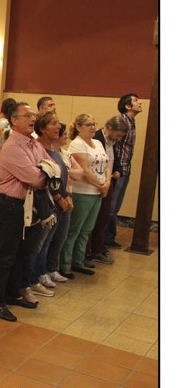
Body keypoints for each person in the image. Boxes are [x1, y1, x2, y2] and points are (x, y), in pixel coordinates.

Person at [0, 103, 51, 322]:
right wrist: (45, 172)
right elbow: (34, 178)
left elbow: (53, 165)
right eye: (28, 115)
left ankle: (13, 292)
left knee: (23, 253)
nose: (33, 118)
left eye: (33, 115)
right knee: (6, 256)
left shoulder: (34, 143)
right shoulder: (13, 146)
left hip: (30, 206)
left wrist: (45, 170)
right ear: (14, 120)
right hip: (13, 206)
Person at [61, 114, 110, 277]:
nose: (93, 127)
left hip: (98, 192)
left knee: (87, 229)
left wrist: (107, 183)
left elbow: (107, 164)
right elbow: (84, 170)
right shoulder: (77, 144)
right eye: (88, 124)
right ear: (79, 127)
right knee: (74, 229)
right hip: (83, 192)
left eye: (94, 124)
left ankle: (79, 261)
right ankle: (65, 264)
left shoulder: (98, 143)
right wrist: (100, 186)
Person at [34, 114, 75, 287]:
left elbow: (64, 176)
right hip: (49, 203)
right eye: (54, 123)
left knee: (58, 238)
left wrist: (68, 195)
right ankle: (39, 273)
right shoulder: (39, 149)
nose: (59, 127)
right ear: (43, 129)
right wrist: (59, 198)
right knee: (43, 242)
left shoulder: (56, 151)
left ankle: (50, 268)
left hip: (62, 201)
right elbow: (43, 180)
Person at [86, 116, 128, 264]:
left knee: (104, 218)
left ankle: (98, 249)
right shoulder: (96, 139)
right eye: (118, 134)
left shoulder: (112, 141)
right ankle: (88, 251)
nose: (119, 138)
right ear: (109, 128)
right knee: (92, 220)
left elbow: (113, 160)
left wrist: (118, 171)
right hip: (96, 183)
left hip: (108, 182)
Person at [106, 93, 142, 248]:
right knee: (111, 207)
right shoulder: (121, 121)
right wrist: (116, 169)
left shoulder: (131, 122)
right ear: (128, 106)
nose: (140, 102)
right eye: (136, 100)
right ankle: (105, 239)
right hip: (118, 171)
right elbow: (112, 145)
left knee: (115, 207)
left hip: (125, 169)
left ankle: (108, 237)